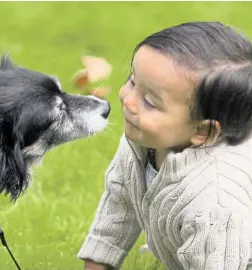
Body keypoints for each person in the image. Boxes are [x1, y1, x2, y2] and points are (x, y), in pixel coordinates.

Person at [78, 21, 252, 270]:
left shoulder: (215, 201)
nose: (129, 102)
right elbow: (119, 208)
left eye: (149, 101)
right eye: (133, 81)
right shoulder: (140, 142)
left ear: (202, 130)